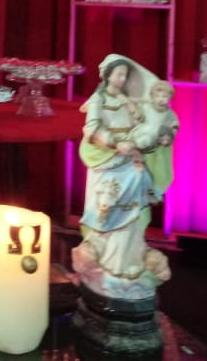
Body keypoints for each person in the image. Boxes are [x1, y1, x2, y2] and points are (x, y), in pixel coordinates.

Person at [74, 54, 175, 298]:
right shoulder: (98, 100)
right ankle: (107, 257)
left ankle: (131, 256)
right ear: (108, 75)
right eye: (118, 74)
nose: (122, 79)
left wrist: (159, 132)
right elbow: (92, 129)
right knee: (110, 202)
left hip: (130, 154)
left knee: (138, 188)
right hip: (107, 157)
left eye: (125, 75)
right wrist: (115, 143)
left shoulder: (128, 100)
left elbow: (146, 121)